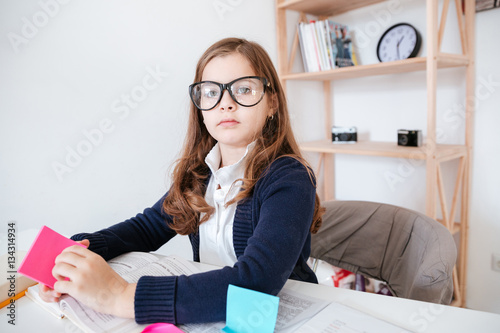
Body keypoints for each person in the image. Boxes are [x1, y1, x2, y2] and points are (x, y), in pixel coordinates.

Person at [39, 37, 323, 324]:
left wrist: (119, 295)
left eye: (244, 89)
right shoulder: (200, 174)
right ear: (200, 107)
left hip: (284, 316)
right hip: (211, 312)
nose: (225, 104)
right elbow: (146, 228)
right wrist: (76, 253)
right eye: (211, 92)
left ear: (272, 102)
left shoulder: (290, 178)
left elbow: (255, 282)